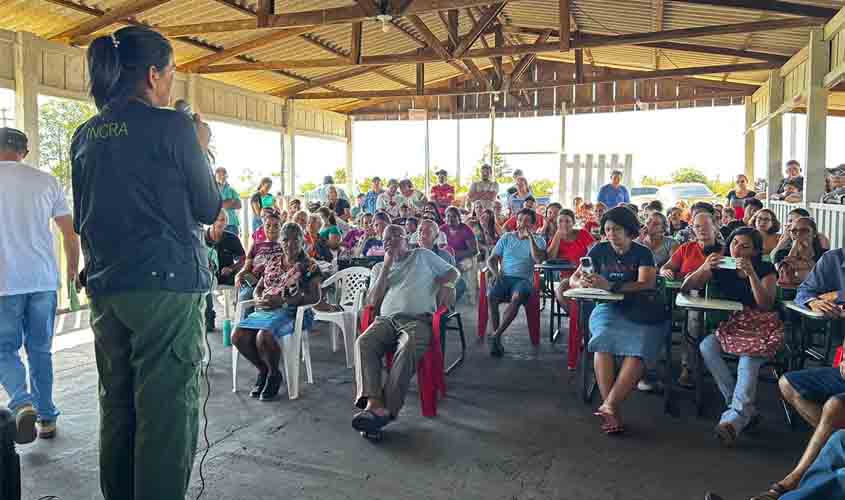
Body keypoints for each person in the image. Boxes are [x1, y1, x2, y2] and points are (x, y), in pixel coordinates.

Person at [71, 26, 221, 500]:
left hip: (107, 291)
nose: (171, 83)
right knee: (165, 414)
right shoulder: (173, 127)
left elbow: (83, 216)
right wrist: (200, 146)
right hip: (165, 289)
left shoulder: (85, 135)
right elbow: (207, 207)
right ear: (153, 74)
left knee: (117, 407)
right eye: (172, 73)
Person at [739, 248, 845, 499]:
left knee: (834, 409)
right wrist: (814, 301)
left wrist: (837, 294)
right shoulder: (834, 259)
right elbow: (803, 293)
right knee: (788, 383)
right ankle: (825, 441)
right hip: (841, 360)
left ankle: (787, 485)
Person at [0, 127, 80, 444]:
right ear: (25, 152)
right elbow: (69, 233)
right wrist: (72, 269)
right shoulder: (46, 181)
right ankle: (46, 418)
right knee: (40, 350)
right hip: (43, 280)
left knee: (3, 349)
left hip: (4, 283)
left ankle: (22, 402)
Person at [351, 224, 458, 434]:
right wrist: (386, 266)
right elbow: (372, 302)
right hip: (386, 321)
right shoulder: (378, 268)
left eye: (395, 237)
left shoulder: (422, 255)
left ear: (406, 240)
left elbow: (453, 272)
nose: (390, 242)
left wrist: (447, 286)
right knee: (363, 342)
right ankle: (374, 403)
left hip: (418, 320)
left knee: (408, 345)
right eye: (386, 239)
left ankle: (385, 410)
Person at [568, 206, 666, 435]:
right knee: (602, 342)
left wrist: (610, 285)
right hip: (607, 308)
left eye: (617, 229)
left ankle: (609, 406)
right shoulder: (598, 250)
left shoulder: (642, 253)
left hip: (640, 309)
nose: (611, 234)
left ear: (629, 231)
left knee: (637, 350)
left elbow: (646, 283)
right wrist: (582, 282)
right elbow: (573, 279)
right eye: (608, 229)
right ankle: (610, 408)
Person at [682, 227, 780, 447]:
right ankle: (740, 407)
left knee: (748, 361)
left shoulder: (765, 268)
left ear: (755, 251)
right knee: (707, 346)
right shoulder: (723, 265)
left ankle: (733, 421)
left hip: (762, 326)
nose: (738, 249)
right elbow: (687, 287)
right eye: (735, 243)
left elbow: (765, 304)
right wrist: (704, 267)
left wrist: (752, 274)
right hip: (735, 325)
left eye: (745, 246)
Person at [232, 222, 321, 401]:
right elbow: (259, 288)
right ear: (280, 241)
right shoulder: (274, 261)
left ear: (302, 241)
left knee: (263, 336)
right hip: (267, 310)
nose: (290, 244)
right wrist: (258, 299)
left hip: (293, 312)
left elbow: (315, 297)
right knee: (238, 335)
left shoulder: (309, 265)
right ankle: (264, 370)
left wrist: (284, 302)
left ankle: (274, 374)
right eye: (286, 240)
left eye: (295, 240)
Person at [661, 210, 722, 387]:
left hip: (718, 299)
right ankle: (687, 367)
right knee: (693, 319)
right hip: (688, 298)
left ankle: (708, 364)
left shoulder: (725, 250)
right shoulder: (686, 248)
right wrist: (665, 271)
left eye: (706, 226)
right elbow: (666, 267)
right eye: (697, 226)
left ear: (715, 226)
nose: (701, 230)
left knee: (700, 320)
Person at [486, 208, 547, 357]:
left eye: (527, 221)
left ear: (533, 224)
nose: (522, 223)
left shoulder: (539, 240)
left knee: (517, 297)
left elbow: (538, 259)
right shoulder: (507, 237)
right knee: (491, 296)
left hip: (524, 280)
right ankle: (496, 339)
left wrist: (530, 237)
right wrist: (496, 273)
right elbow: (492, 259)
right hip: (505, 277)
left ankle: (496, 335)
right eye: (520, 220)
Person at [550, 209, 594, 370]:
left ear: (573, 222)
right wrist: (557, 236)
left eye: (567, 221)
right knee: (560, 291)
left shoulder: (583, 234)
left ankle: (582, 326)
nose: (564, 224)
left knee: (583, 299)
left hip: (585, 274)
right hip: (567, 276)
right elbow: (551, 257)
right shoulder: (557, 237)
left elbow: (593, 251)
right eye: (560, 221)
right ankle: (582, 325)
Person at [205, 210, 245, 331]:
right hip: (208, 275)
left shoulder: (232, 238)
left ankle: (240, 316)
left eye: (224, 220)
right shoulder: (202, 237)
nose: (222, 223)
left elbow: (243, 259)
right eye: (219, 220)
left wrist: (231, 268)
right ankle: (208, 317)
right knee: (203, 283)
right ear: (212, 221)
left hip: (227, 275)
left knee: (245, 281)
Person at [235, 212, 282, 302]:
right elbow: (246, 267)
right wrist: (238, 275)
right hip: (254, 282)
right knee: (245, 296)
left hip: (274, 283)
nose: (271, 229)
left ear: (281, 227)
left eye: (276, 226)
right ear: (263, 227)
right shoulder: (256, 246)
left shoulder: (285, 246)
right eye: (268, 225)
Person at [417, 219, 466, 304]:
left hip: (437, 294)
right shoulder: (411, 254)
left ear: (436, 236)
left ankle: (445, 308)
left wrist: (447, 285)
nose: (422, 234)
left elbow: (454, 277)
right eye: (420, 230)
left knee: (460, 284)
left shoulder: (445, 256)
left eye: (428, 231)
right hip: (416, 293)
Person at [441, 207, 479, 299]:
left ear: (459, 218)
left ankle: (452, 292)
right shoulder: (442, 229)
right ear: (445, 218)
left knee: (454, 270)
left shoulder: (466, 230)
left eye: (454, 216)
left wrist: (455, 254)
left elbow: (474, 251)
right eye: (448, 216)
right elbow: (439, 246)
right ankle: (443, 292)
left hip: (465, 258)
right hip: (448, 257)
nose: (450, 219)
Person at [215, 166, 242, 235]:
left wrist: (224, 203)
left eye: (224, 175)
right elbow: (217, 205)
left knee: (234, 241)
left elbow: (239, 205)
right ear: (215, 176)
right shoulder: (213, 190)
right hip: (219, 223)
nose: (222, 177)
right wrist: (232, 201)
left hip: (233, 223)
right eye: (219, 175)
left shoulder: (231, 189)